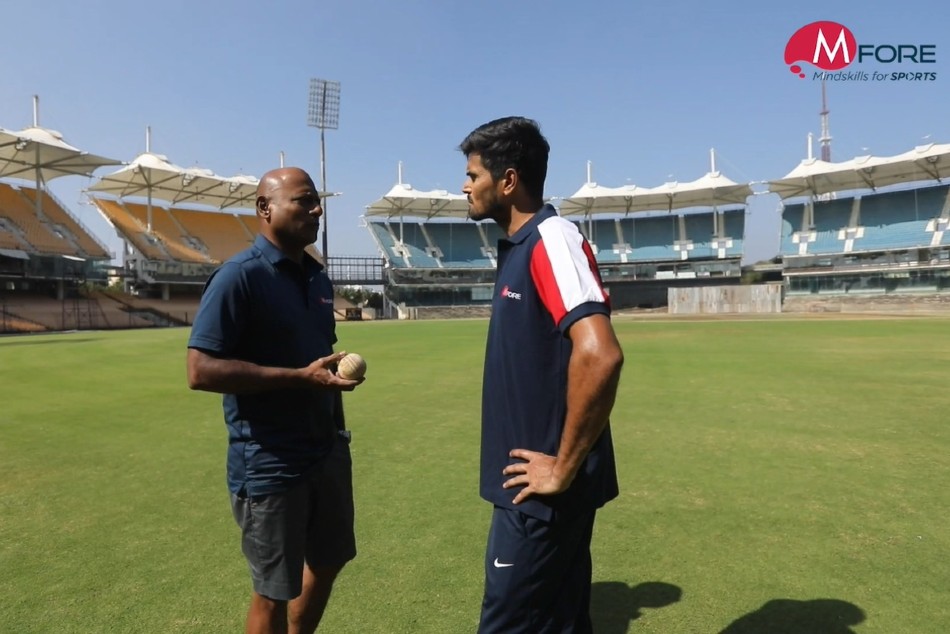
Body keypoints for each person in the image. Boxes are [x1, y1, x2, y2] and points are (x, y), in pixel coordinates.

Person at [459, 117, 625, 633]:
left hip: (540, 493)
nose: (465, 186)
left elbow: (600, 354)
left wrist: (562, 467)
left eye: (473, 175)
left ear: (508, 181)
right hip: (534, 486)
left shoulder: (551, 239)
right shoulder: (522, 245)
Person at [186, 166, 361, 634]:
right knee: (273, 591)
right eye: (304, 201)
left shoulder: (317, 279)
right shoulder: (238, 277)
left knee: (329, 560)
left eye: (317, 201)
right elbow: (200, 370)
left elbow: (319, 362)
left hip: (325, 450)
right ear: (265, 208)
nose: (317, 209)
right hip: (270, 459)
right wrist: (299, 378)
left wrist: (335, 418)